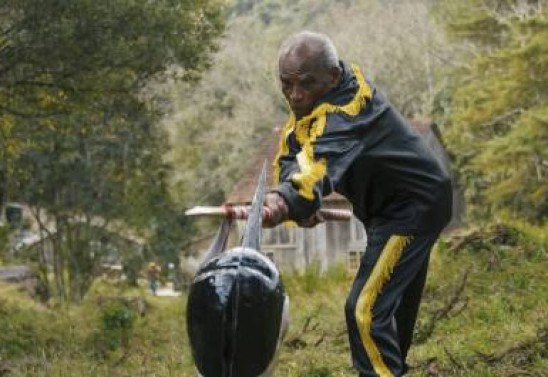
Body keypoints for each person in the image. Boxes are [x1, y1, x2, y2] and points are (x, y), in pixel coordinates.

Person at [264, 31, 452, 377]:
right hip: (388, 210)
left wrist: (287, 200)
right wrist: (293, 201)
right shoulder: (318, 102)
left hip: (413, 209)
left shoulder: (347, 111)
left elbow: (315, 164)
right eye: (286, 84)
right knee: (389, 308)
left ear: (333, 76)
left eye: (306, 83)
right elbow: (295, 152)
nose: (295, 94)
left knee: (365, 309)